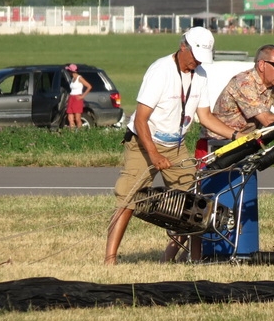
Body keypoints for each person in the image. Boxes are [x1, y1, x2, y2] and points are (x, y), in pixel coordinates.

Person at [104, 27, 243, 265]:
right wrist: (155, 155)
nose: (197, 63)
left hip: (176, 145)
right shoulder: (160, 71)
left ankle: (187, 258)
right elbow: (140, 118)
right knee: (128, 199)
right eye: (194, 57)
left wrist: (235, 136)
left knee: (194, 203)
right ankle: (110, 259)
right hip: (144, 142)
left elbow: (206, 117)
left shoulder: (200, 75)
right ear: (183, 47)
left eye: (201, 59)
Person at [194, 44, 274, 159]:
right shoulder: (244, 82)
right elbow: (267, 119)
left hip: (242, 145)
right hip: (216, 147)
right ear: (262, 65)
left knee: (248, 178)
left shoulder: (273, 85)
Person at [64, 64, 92, 128]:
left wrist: (82, 96)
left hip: (77, 98)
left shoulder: (79, 78)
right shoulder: (72, 78)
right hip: (71, 97)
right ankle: (72, 132)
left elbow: (89, 86)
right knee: (70, 118)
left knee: (77, 118)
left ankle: (80, 132)